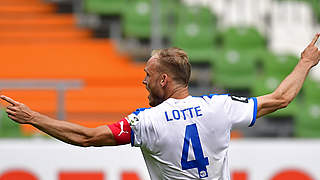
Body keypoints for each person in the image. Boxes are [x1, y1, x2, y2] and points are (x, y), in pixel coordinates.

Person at [1, 33, 320, 180]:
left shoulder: (147, 122)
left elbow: (87, 137)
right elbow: (281, 99)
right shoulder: (219, 106)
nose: (143, 81)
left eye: (148, 76)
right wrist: (305, 63)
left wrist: (32, 117)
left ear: (165, 80)